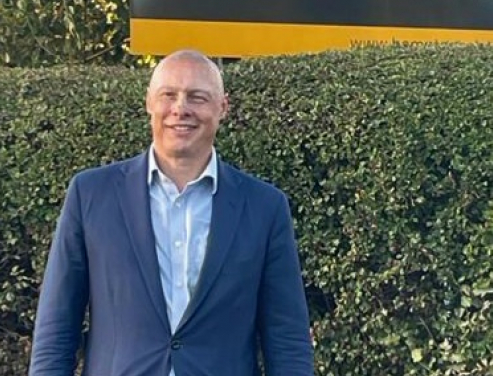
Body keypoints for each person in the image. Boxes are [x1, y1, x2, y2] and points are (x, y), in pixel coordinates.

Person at [29, 50, 314, 376]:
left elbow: (287, 338)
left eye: (197, 97)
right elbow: (56, 327)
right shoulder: (92, 195)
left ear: (223, 108)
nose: (181, 109)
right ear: (150, 102)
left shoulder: (264, 207)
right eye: (169, 95)